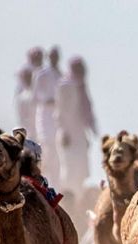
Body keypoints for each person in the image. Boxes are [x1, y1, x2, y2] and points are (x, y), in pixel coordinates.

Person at [55, 57, 97, 192]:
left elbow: (86, 109)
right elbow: (60, 109)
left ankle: (79, 197)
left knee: (82, 167)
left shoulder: (81, 85)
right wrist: (64, 131)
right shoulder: (65, 85)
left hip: (79, 132)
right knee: (69, 167)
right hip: (67, 133)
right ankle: (68, 198)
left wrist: (90, 131)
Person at [32, 46, 62, 181]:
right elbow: (36, 94)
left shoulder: (61, 74)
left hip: (57, 115)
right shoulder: (41, 74)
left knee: (57, 149)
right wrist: (47, 100)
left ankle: (56, 180)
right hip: (44, 113)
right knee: (46, 145)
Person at [15, 67, 36, 138]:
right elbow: (21, 115)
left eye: (29, 76)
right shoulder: (22, 96)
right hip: (28, 128)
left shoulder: (37, 93)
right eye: (26, 77)